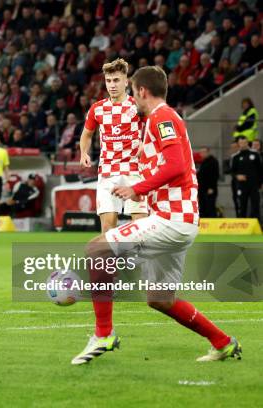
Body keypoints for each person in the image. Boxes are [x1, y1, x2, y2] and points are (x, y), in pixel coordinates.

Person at [72, 66, 241, 365]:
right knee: (160, 299)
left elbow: (176, 165)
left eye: (133, 92)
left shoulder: (163, 117)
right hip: (177, 220)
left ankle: (104, 334)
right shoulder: (157, 120)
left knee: (97, 248)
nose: (131, 99)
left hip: (171, 219)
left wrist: (138, 188)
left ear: (142, 92)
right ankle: (223, 342)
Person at [79, 58, 148, 233]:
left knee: (141, 225)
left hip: (136, 170)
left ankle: (139, 261)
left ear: (126, 81)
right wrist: (84, 153)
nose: (112, 85)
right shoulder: (97, 108)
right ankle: (109, 261)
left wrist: (146, 144)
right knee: (108, 226)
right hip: (108, 171)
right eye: (108, 81)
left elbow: (154, 127)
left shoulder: (138, 105)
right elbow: (87, 134)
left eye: (116, 80)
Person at [231, 136, 261, 219]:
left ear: (247, 143)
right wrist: (237, 176)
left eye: (245, 142)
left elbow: (260, 170)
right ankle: (242, 225)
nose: (243, 144)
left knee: (255, 205)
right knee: (242, 205)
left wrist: (260, 183)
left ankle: (257, 225)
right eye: (241, 143)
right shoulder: (235, 157)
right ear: (238, 144)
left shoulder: (255, 154)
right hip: (241, 185)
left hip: (254, 185)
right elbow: (232, 171)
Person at [197, 147, 220, 218]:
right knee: (203, 207)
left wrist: (211, 188)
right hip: (201, 189)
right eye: (201, 152)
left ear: (208, 152)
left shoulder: (213, 161)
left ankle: (213, 223)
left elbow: (215, 175)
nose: (202, 154)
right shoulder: (203, 162)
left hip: (209, 189)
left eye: (204, 152)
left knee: (210, 207)